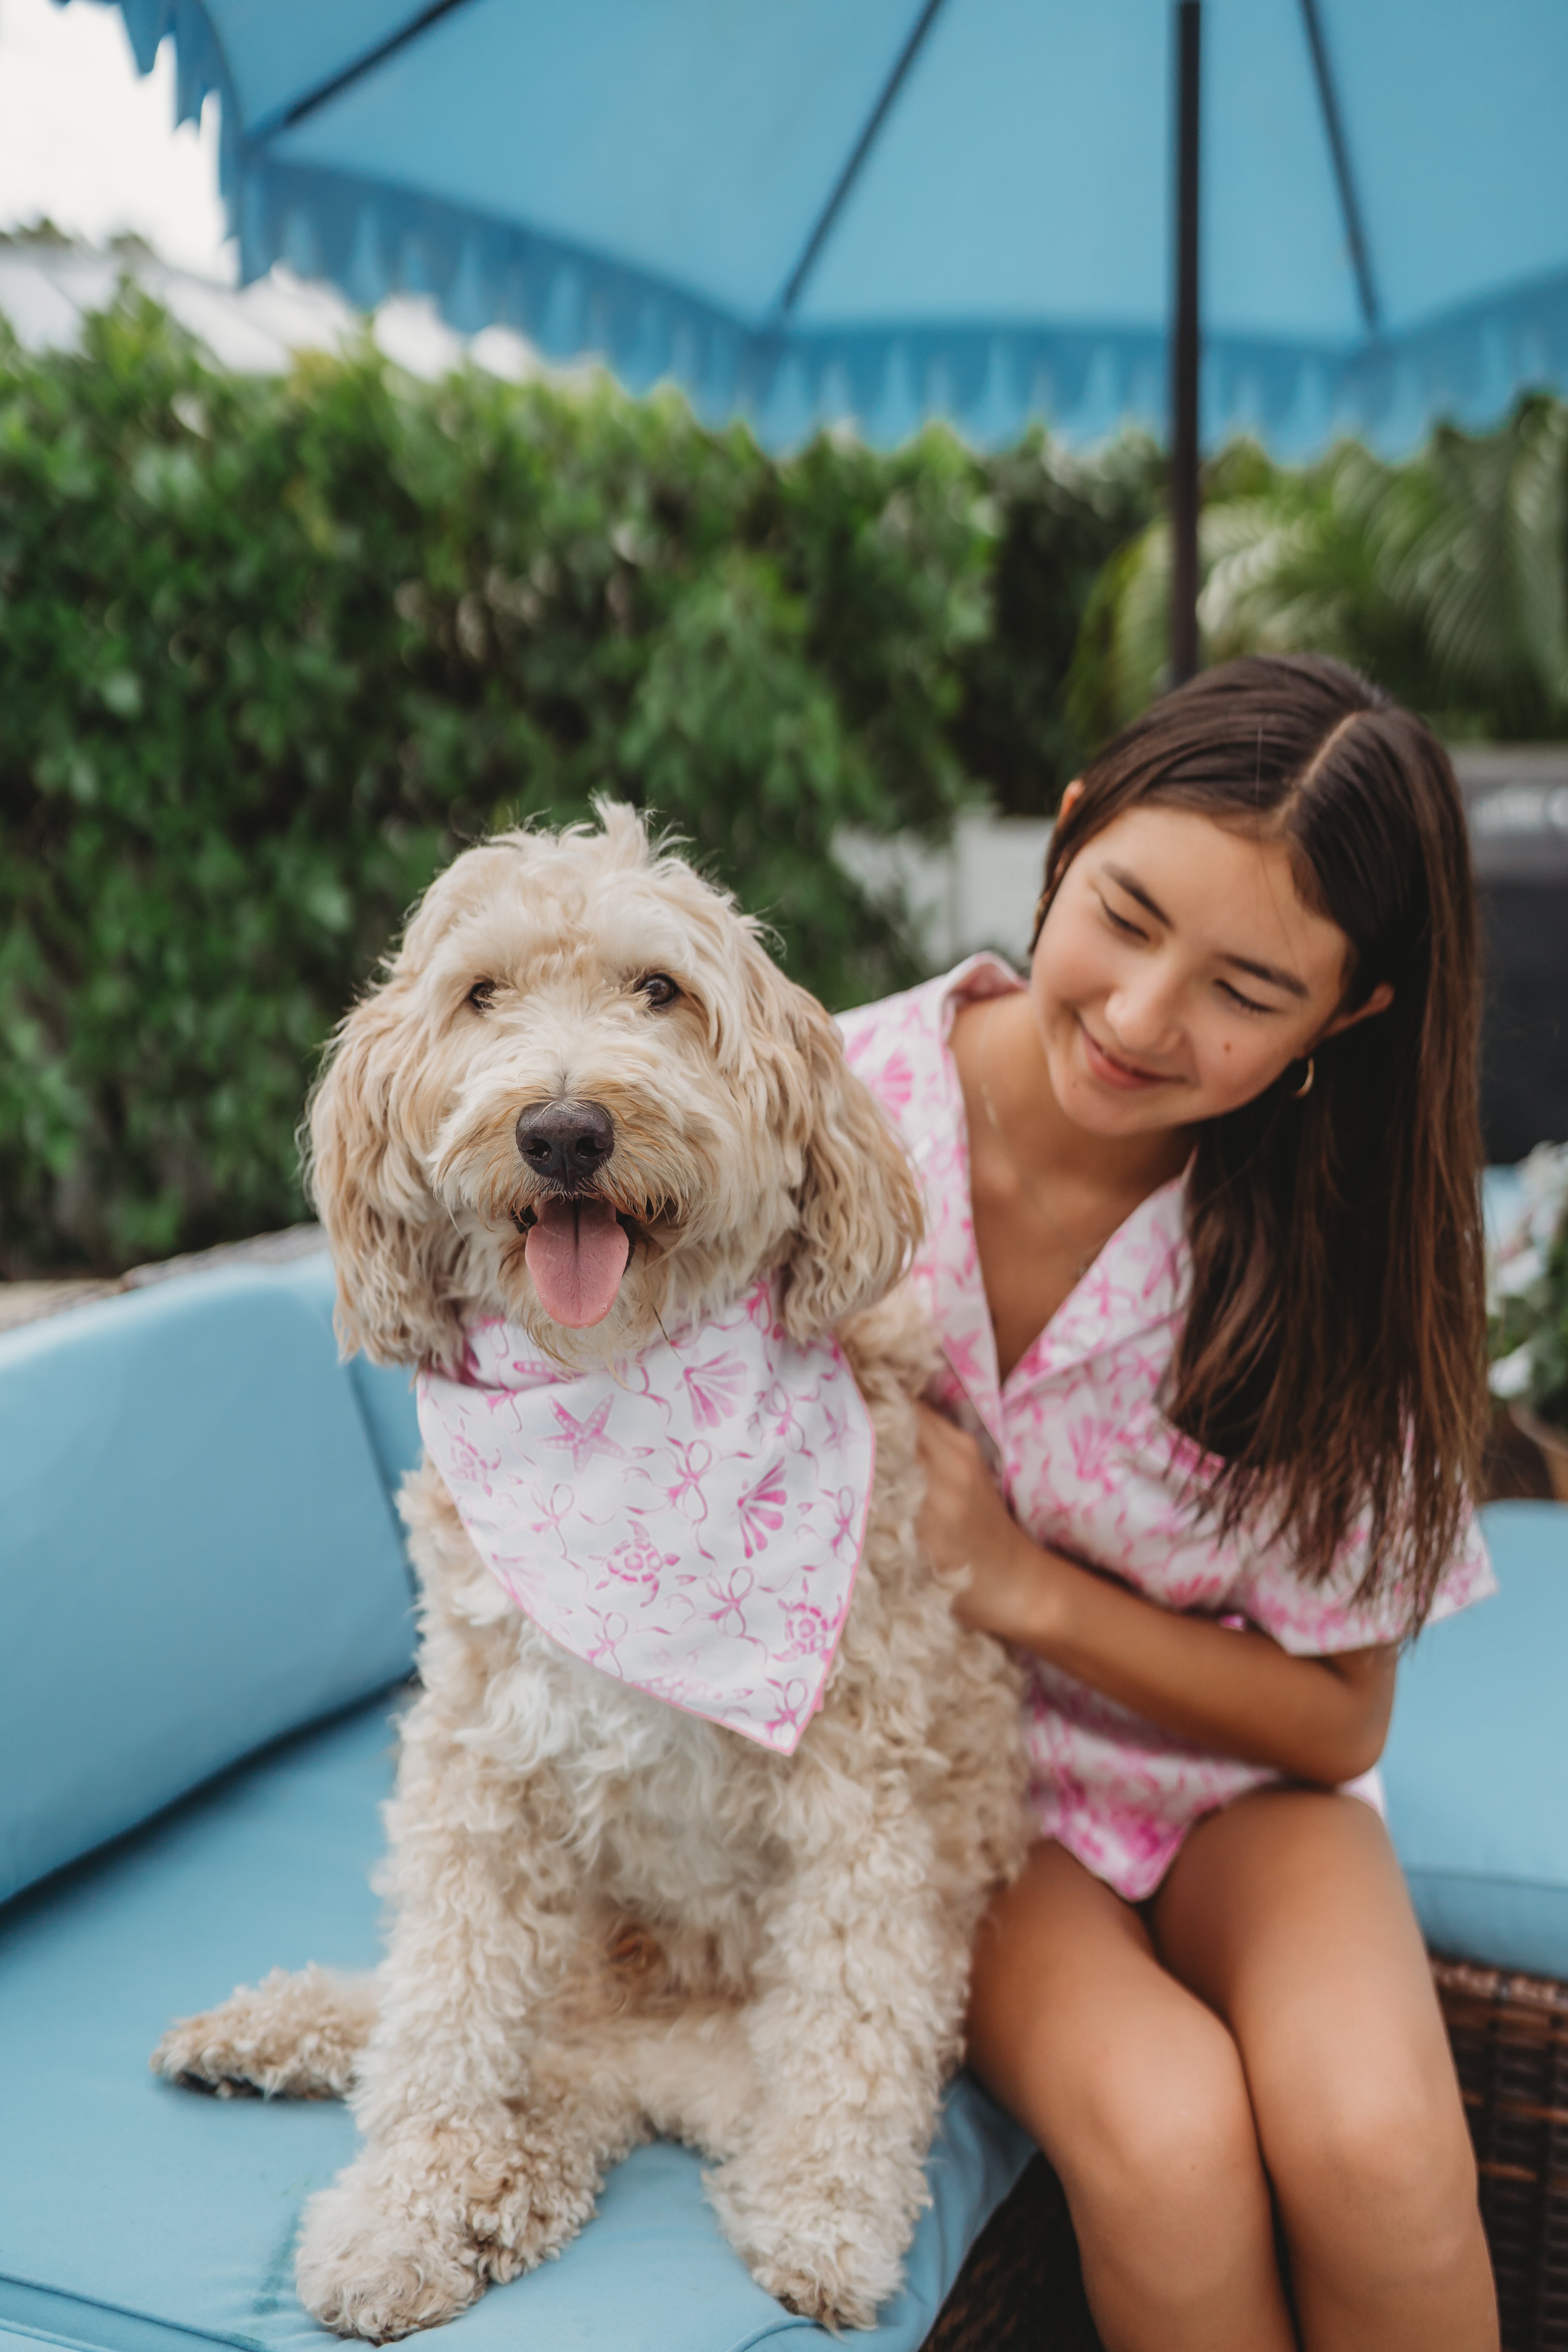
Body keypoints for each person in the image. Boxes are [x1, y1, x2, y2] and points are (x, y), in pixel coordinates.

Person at [839, 653, 1500, 2352]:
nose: (1143, 1019)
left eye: (1244, 988)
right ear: (1067, 843)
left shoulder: (1346, 1242)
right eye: (1124, 916)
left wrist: (1020, 1582)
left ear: (1345, 1017)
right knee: (1166, 2131)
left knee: (1379, 2149)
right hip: (946, 1785)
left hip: (1233, 1784)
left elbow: (1336, 1722)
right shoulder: (825, 1132)